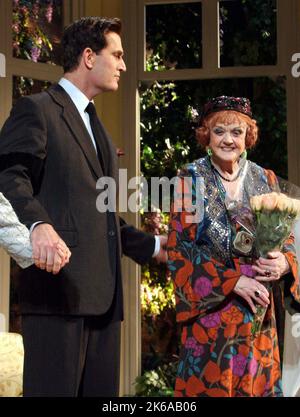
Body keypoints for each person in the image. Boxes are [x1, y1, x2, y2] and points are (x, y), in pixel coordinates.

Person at [0, 17, 167, 397]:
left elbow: (103, 213)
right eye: (119, 55)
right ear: (89, 57)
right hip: (57, 295)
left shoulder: (98, 128)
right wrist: (37, 225)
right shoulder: (37, 109)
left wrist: (154, 247)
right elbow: (8, 175)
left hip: (104, 301)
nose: (125, 66)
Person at [167, 95, 300, 397]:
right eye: (219, 131)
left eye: (236, 132)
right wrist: (234, 281)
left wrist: (283, 262)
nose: (228, 139)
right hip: (213, 316)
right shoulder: (191, 179)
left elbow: (287, 238)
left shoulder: (264, 178)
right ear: (206, 135)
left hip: (259, 314)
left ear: (248, 136)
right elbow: (180, 248)